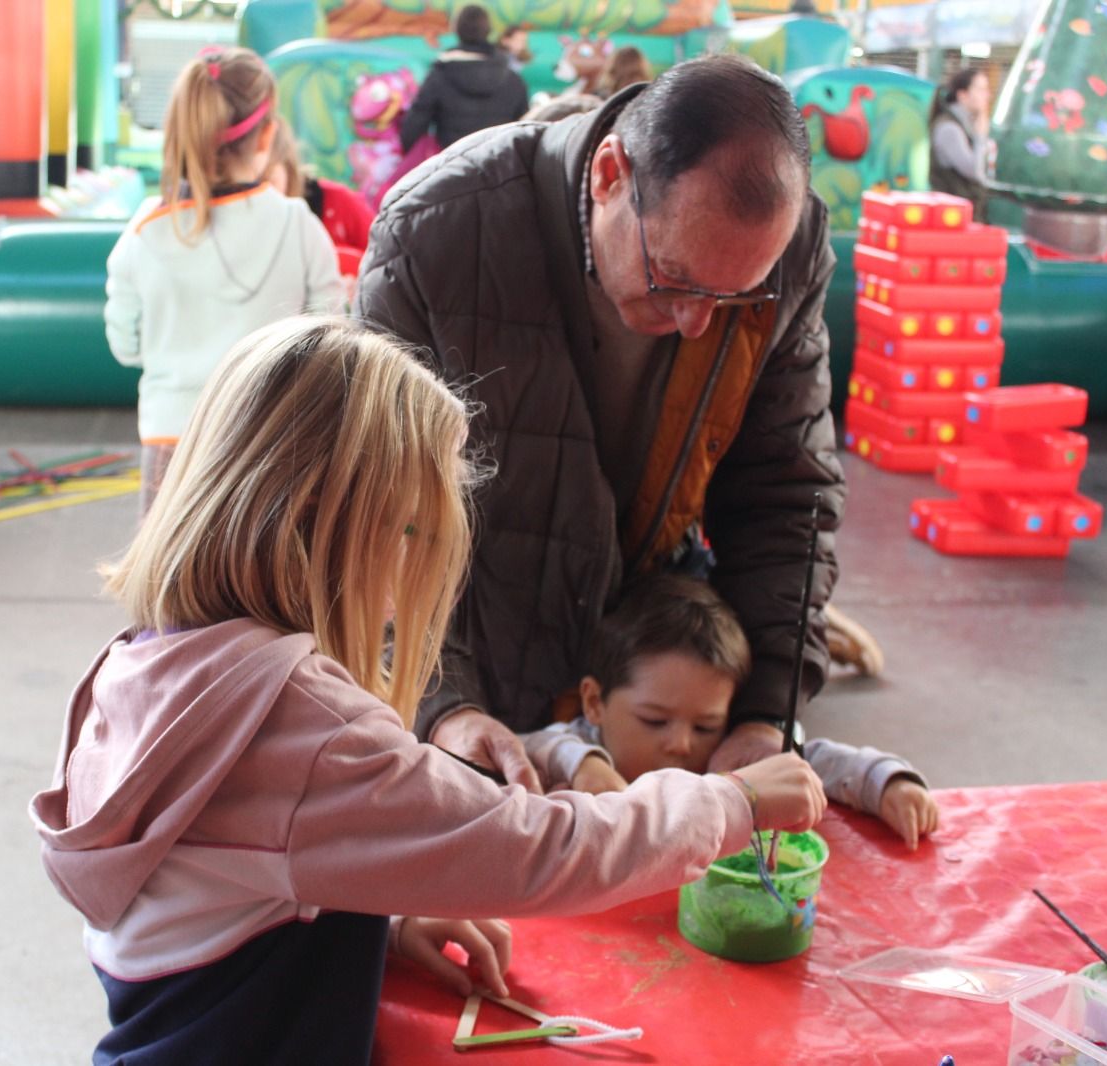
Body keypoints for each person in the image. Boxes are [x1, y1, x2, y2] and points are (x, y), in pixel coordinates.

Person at [30, 315, 828, 1066]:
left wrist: (377, 914)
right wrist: (733, 802)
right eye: (409, 530)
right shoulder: (298, 722)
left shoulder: (156, 661)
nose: (413, 571)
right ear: (322, 525)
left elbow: (231, 877)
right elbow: (544, 847)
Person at [356, 54, 846, 790]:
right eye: (674, 279)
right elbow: (370, 511)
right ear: (610, 174)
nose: (694, 323)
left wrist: (762, 712)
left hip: (641, 684)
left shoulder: (789, 252)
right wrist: (442, 706)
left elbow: (786, 492)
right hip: (472, 674)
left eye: (733, 298)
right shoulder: (438, 232)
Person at [522, 576, 939, 848]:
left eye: (706, 724)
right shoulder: (577, 749)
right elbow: (533, 745)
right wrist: (586, 765)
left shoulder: (723, 757)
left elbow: (807, 765)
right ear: (595, 702)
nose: (682, 744)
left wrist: (887, 782)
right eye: (654, 720)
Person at [103, 47, 343, 511]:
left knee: (167, 581)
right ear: (266, 136)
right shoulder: (298, 225)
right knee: (265, 582)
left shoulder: (145, 231)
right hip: (271, 437)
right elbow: (332, 336)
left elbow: (125, 346)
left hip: (173, 436)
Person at [398, 4, 528, 155]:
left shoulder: (440, 75)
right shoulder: (514, 80)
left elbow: (415, 123)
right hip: (499, 169)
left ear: (457, 30)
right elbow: (524, 130)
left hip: (452, 167)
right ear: (488, 31)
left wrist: (405, 151)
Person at [264, 122, 375, 257]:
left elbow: (387, 253)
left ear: (287, 166)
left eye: (268, 180)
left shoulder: (337, 200)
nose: (259, 192)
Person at [929, 68, 991, 220]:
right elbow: (974, 172)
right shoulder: (949, 128)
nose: (987, 95)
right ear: (962, 95)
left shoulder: (965, 125)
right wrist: (980, 137)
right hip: (952, 217)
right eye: (981, 89)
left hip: (962, 215)